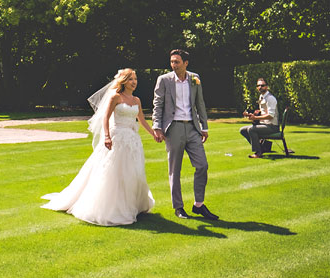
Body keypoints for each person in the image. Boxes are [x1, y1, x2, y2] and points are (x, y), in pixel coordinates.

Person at [42, 69, 156, 225]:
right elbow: (105, 118)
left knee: (133, 172)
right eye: (130, 79)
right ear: (123, 81)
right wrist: (107, 136)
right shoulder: (115, 97)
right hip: (117, 138)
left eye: (135, 79)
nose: (134, 82)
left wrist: (153, 134)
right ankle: (112, 207)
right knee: (114, 172)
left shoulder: (136, 100)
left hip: (132, 140)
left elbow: (142, 120)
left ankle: (132, 205)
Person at [152, 49, 218, 220]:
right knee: (175, 169)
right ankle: (179, 207)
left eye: (177, 62)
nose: (173, 65)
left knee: (202, 165)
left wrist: (205, 127)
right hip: (173, 128)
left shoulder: (194, 78)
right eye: (172, 61)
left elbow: (200, 103)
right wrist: (157, 127)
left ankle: (199, 205)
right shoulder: (164, 80)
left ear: (186, 63)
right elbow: (157, 104)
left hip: (193, 128)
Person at [240, 78, 279, 158]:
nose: (260, 87)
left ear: (267, 87)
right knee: (242, 130)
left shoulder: (270, 98)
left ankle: (258, 152)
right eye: (258, 85)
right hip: (264, 124)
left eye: (262, 85)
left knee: (251, 129)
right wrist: (251, 115)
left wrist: (256, 118)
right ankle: (262, 147)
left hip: (272, 126)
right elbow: (263, 113)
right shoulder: (261, 97)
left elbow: (271, 116)